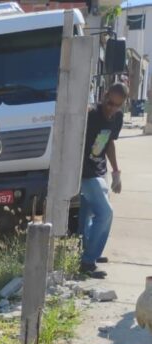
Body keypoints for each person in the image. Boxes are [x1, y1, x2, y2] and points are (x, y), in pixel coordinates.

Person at [78, 82, 128, 278]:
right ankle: (88, 261)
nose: (111, 108)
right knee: (105, 213)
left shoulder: (118, 118)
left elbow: (109, 144)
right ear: (104, 95)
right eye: (109, 103)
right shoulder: (91, 114)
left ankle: (90, 253)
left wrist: (116, 172)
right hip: (85, 171)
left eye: (117, 105)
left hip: (100, 170)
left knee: (89, 215)